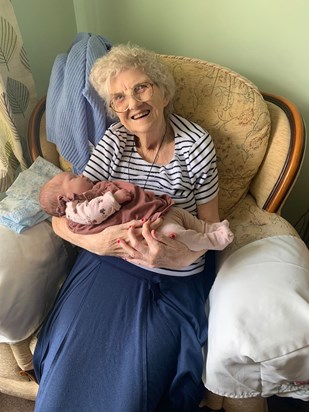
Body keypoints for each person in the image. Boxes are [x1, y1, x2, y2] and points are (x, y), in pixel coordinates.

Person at [33, 43, 221, 412]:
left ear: (163, 92)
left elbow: (211, 223)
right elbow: (65, 215)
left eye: (141, 88)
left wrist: (182, 252)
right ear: (113, 108)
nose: (132, 103)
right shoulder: (115, 140)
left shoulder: (196, 144)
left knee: (139, 376)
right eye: (119, 97)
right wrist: (99, 244)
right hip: (107, 262)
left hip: (171, 268)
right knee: (71, 357)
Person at [39, 171, 233, 251]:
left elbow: (208, 213)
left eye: (141, 88)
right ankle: (213, 240)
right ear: (65, 198)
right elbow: (90, 214)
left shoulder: (195, 143)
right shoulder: (76, 208)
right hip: (153, 230)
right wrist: (113, 199)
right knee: (179, 235)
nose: (82, 173)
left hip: (160, 213)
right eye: (74, 177)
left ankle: (214, 230)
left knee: (190, 222)